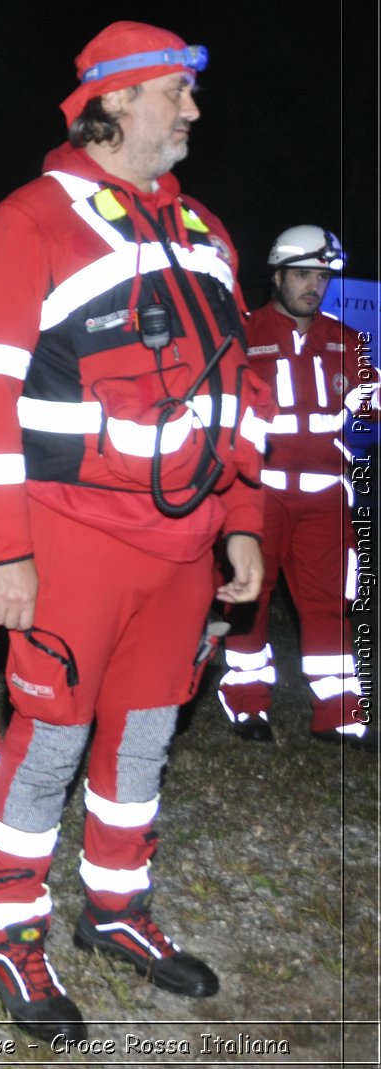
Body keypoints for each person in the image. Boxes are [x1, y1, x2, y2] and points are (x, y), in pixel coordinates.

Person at [0, 21, 271, 1041]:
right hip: (66, 541)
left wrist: (242, 519)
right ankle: (9, 926)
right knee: (48, 740)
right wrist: (2, 548)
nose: (189, 111)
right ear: (113, 101)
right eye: (173, 92)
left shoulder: (207, 233)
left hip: (182, 546)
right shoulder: (28, 220)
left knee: (142, 736)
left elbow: (236, 393)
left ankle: (115, 907)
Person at [218, 226, 371, 747]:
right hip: (259, 494)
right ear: (278, 276)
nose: (314, 286)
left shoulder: (348, 341)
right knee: (250, 597)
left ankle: (340, 710)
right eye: (303, 274)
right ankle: (245, 699)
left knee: (330, 600)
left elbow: (372, 413)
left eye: (322, 277)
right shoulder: (242, 331)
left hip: (326, 495)